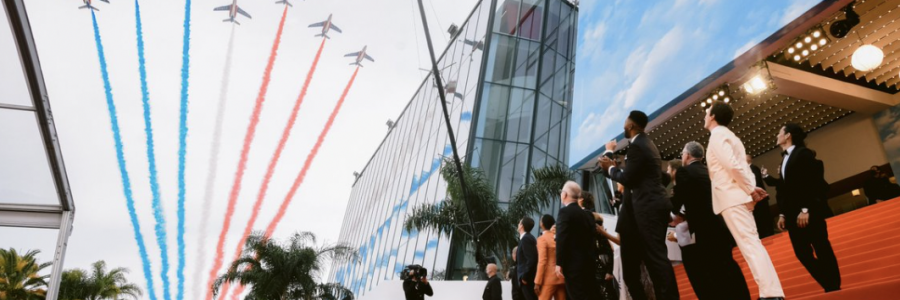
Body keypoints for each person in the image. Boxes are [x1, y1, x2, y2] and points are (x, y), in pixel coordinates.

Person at [703, 101, 784, 300]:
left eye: (707, 112)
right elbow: (741, 167)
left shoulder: (717, 135)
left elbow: (731, 166)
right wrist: (751, 188)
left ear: (713, 116)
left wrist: (750, 189)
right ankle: (772, 292)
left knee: (750, 246)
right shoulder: (731, 136)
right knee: (752, 244)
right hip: (738, 196)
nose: (704, 115)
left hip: (732, 197)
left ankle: (771, 294)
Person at [598, 110, 678, 300]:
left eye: (625, 122)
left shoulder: (638, 147)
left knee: (657, 261)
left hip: (648, 210)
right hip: (647, 211)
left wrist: (610, 167)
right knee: (655, 261)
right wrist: (610, 162)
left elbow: (626, 177)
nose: (623, 125)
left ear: (630, 125)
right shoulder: (646, 144)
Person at [763, 123, 841, 293]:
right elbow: (783, 189)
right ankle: (829, 283)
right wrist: (782, 214)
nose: (777, 136)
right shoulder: (785, 158)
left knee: (821, 247)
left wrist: (806, 209)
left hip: (808, 212)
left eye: (779, 132)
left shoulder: (802, 154)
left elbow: (812, 183)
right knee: (802, 254)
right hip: (791, 215)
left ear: (788, 135)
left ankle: (833, 286)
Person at [671, 141, 750, 300]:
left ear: (687, 155)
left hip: (704, 230)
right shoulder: (710, 171)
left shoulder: (684, 173)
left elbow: (679, 202)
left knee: (713, 273)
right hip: (721, 226)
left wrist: (674, 212)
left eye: (682, 154)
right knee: (729, 266)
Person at [555, 181, 599, 300]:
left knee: (576, 296)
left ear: (564, 195)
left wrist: (559, 263)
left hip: (573, 265)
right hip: (589, 263)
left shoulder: (565, 212)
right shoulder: (587, 215)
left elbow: (561, 237)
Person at [580, 192, 618, 300]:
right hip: (598, 262)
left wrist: (609, 271)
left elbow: (607, 248)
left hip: (600, 263)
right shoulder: (591, 216)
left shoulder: (592, 218)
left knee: (604, 292)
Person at [535, 215, 566, 300]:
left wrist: (537, 282)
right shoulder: (558, 237)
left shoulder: (542, 239)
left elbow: (542, 261)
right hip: (560, 276)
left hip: (548, 278)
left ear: (542, 224)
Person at [748, 155, 775, 238]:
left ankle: (768, 234)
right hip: (758, 198)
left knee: (764, 218)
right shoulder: (749, 169)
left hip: (760, 197)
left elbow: (756, 183)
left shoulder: (753, 167)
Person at [518, 217, 539, 300]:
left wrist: (525, 276)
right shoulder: (527, 238)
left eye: (519, 223)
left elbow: (531, 259)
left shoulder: (526, 238)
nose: (518, 225)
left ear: (521, 226)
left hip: (527, 279)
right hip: (526, 278)